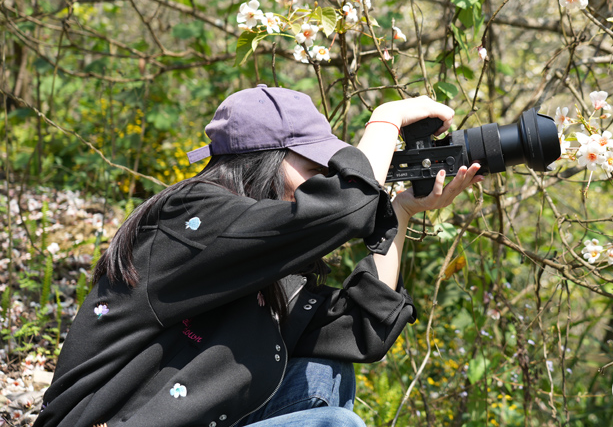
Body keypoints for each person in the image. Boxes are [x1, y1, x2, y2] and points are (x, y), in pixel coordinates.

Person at [35, 85, 482, 427]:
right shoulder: (191, 214)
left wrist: (400, 211)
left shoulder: (261, 265)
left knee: (326, 372)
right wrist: (387, 120)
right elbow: (345, 209)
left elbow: (360, 328)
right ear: (262, 160)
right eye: (312, 167)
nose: (322, 180)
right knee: (334, 425)